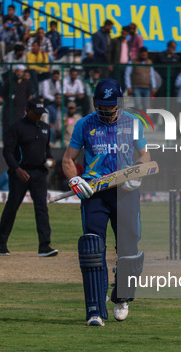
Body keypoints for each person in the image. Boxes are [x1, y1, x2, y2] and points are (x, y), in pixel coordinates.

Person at [61, 79, 150, 327]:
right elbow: (68, 159)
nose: (107, 110)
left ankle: (123, 297)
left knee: (129, 246)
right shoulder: (84, 124)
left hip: (125, 191)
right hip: (95, 192)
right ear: (94, 102)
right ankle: (95, 309)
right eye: (103, 105)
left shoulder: (133, 123)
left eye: (112, 106)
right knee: (92, 247)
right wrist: (75, 180)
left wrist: (138, 176)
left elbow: (144, 156)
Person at [0, 97, 57, 257]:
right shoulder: (17, 128)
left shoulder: (45, 128)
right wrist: (17, 169)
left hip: (39, 173)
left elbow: (47, 151)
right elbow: (7, 152)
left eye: (40, 113)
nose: (38, 116)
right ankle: (1, 242)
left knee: (41, 208)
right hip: (20, 173)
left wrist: (50, 160)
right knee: (12, 206)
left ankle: (44, 246)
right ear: (28, 111)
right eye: (36, 113)